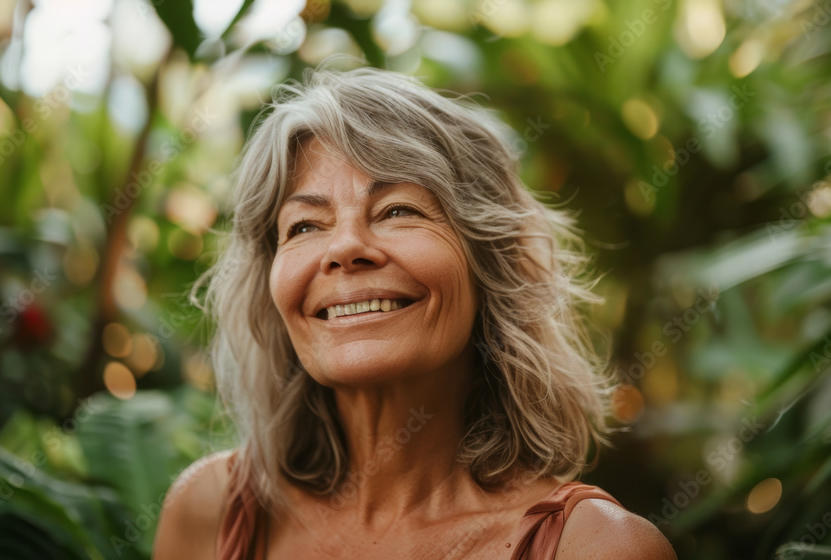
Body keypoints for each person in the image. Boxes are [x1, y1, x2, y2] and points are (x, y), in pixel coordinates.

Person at [153, 66, 676, 560]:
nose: (345, 247)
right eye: (305, 226)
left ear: (491, 264)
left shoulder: (597, 548)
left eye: (398, 210)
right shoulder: (208, 511)